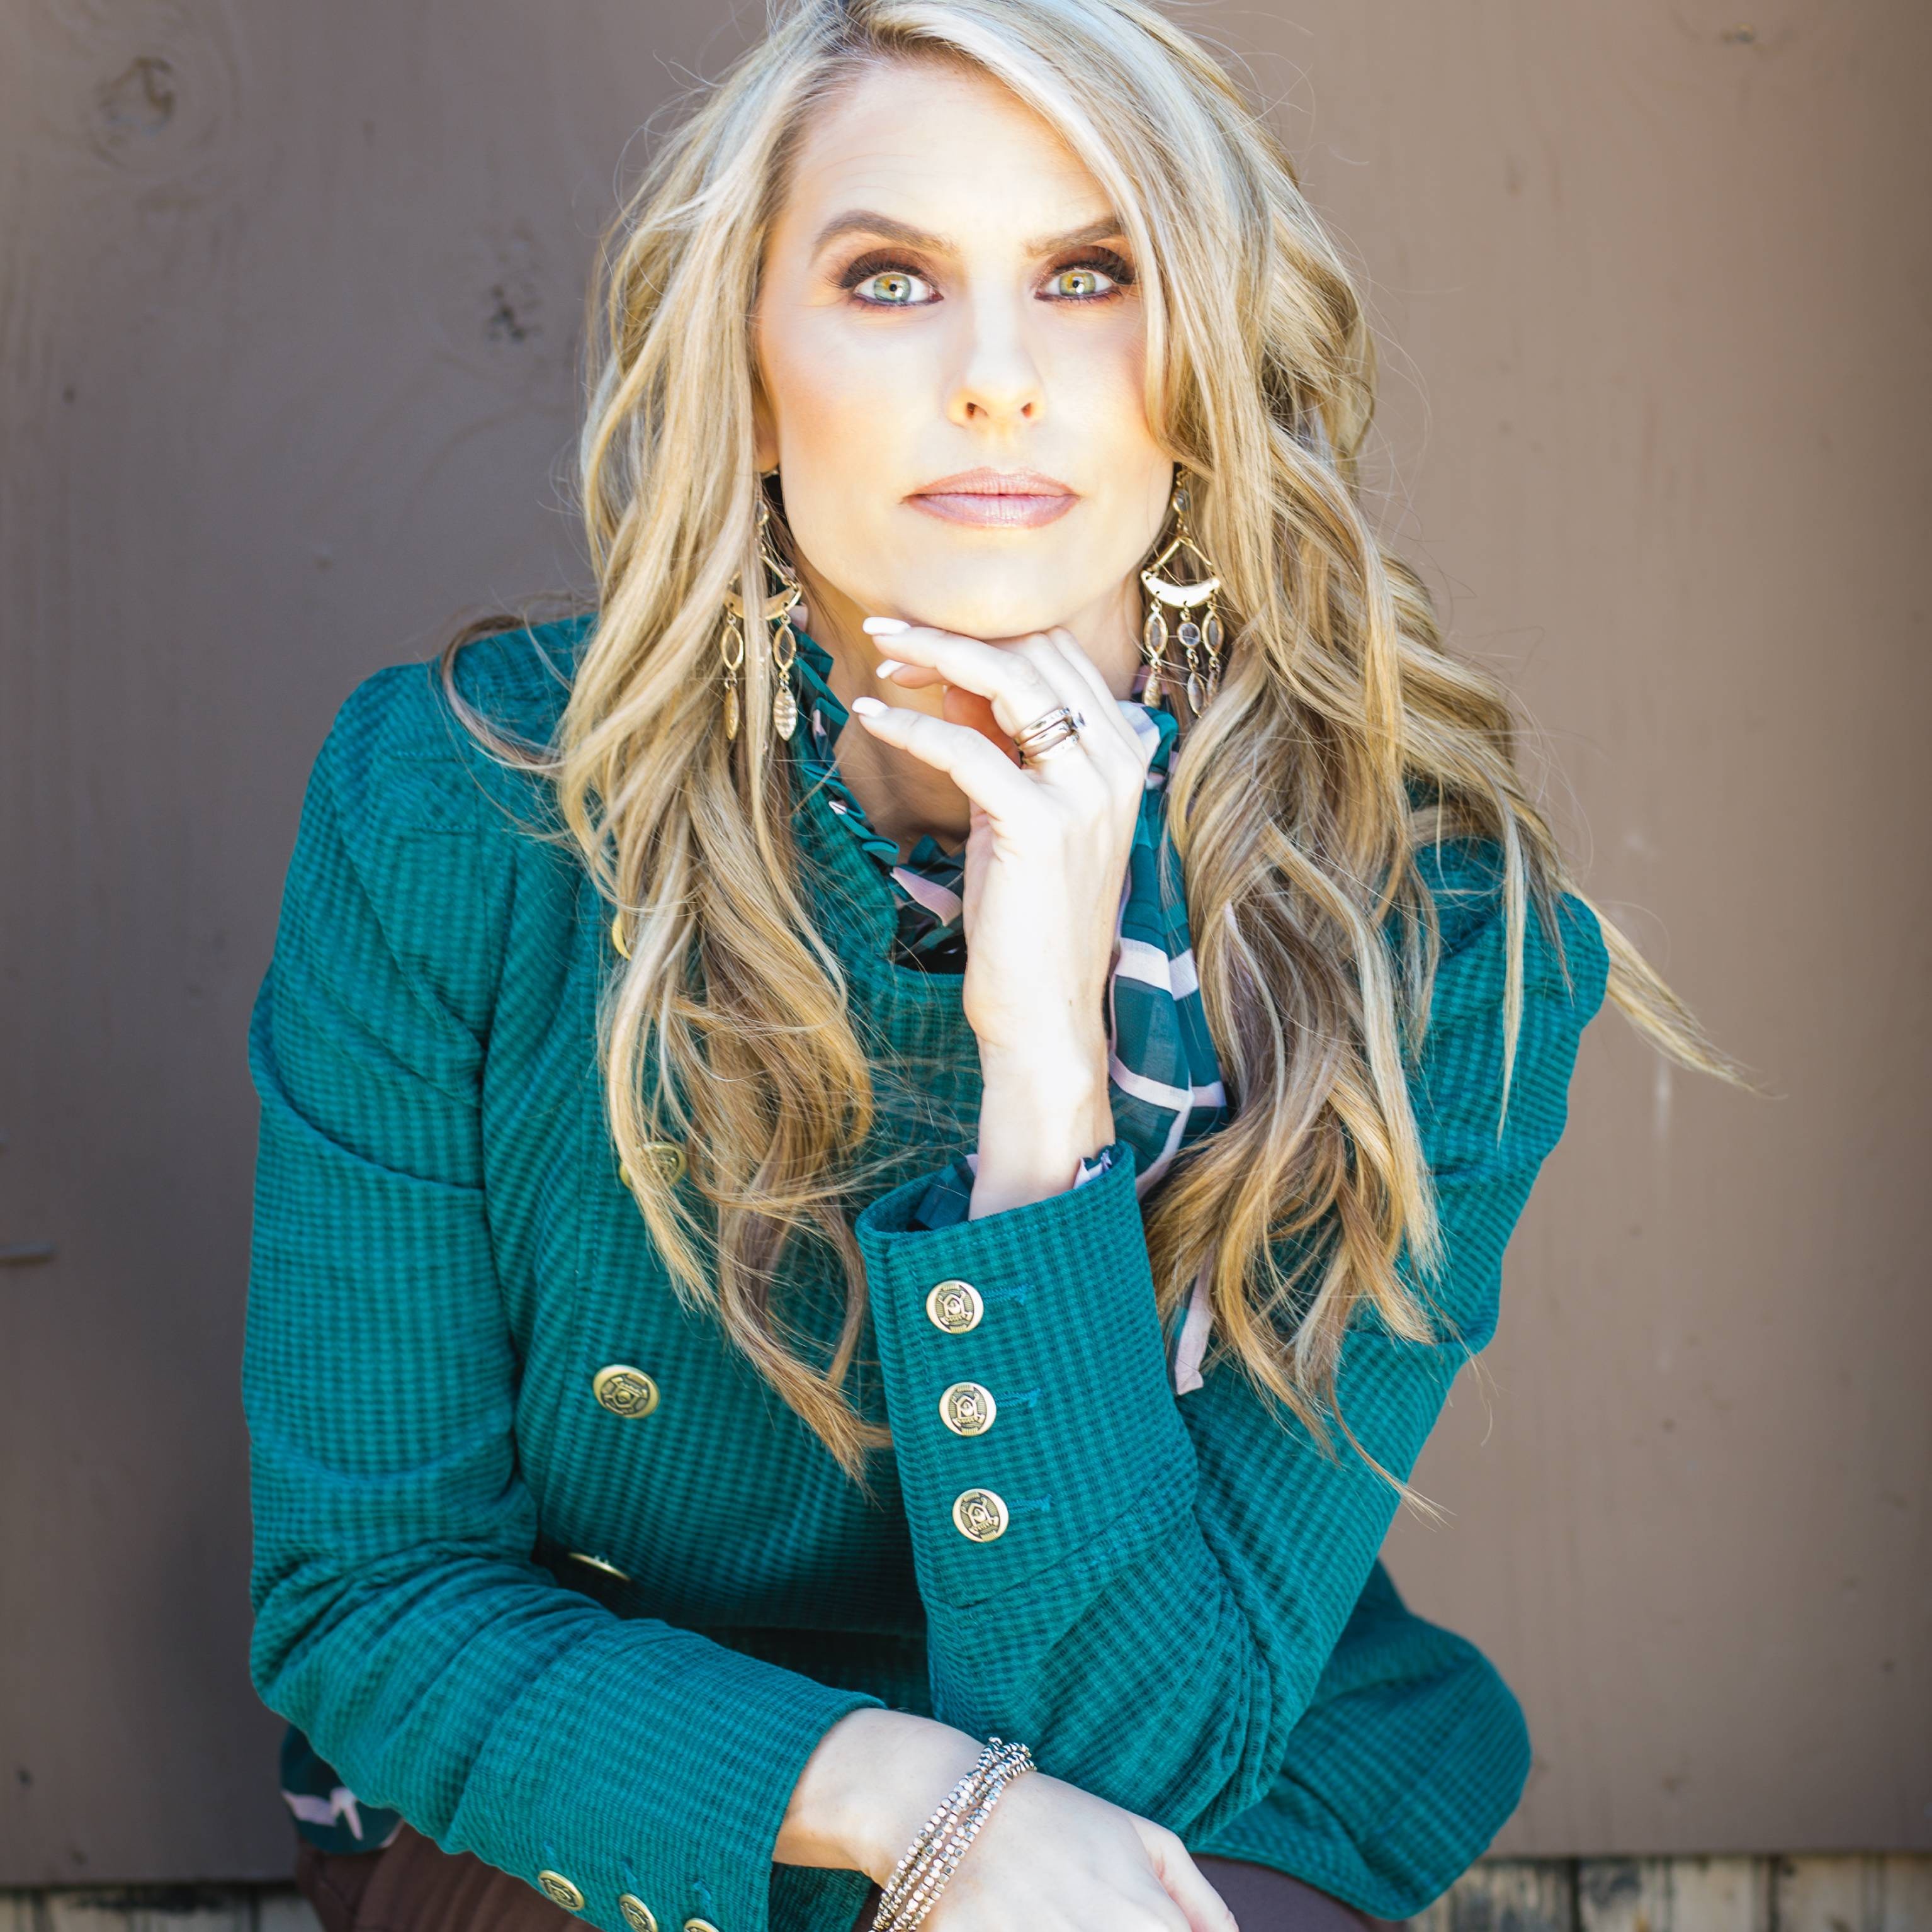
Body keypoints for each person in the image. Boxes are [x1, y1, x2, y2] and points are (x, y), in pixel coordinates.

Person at [242, 3, 1731, 1930]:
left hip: (1199, 1789)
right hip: (612, 1780)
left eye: (1091, 276)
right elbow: (371, 1599)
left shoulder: (1432, 946)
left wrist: (1044, 1081)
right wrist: (912, 1801)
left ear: (1204, 369)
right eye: (890, 281)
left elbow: (1142, 1753)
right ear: (747, 380)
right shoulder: (467, 816)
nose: (1000, 380)